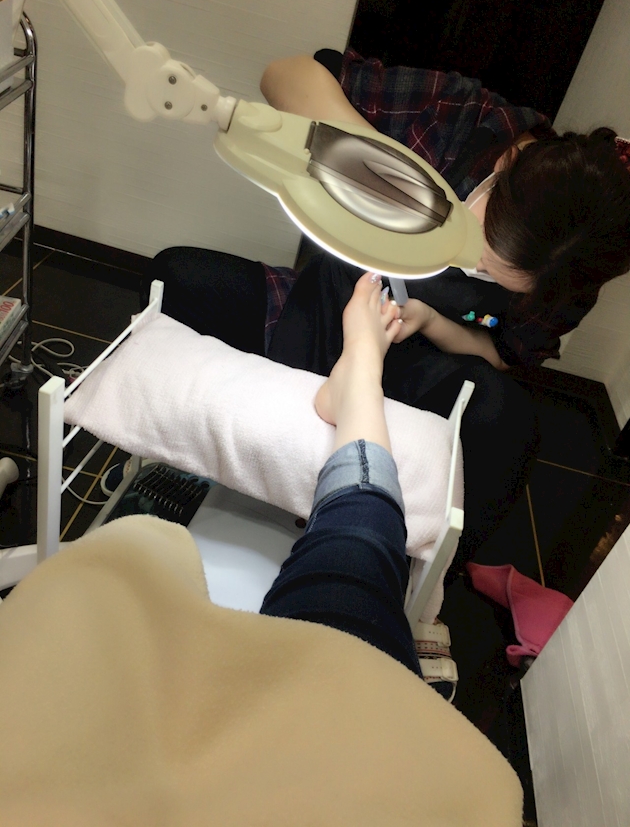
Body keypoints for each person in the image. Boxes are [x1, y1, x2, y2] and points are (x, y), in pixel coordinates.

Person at [0, 272, 524, 825]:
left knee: (145, 550)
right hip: (352, 742)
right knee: (355, 563)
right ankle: (360, 386)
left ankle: (359, 383)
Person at [142, 49, 630, 578]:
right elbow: (284, 76)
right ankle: (181, 472)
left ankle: (424, 583)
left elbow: (504, 351)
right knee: (175, 277)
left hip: (416, 360)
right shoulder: (462, 120)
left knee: (510, 424)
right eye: (481, 249)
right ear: (505, 164)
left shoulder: (572, 268)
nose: (473, 266)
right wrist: (373, 162)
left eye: (494, 274)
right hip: (321, 304)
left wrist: (432, 321)